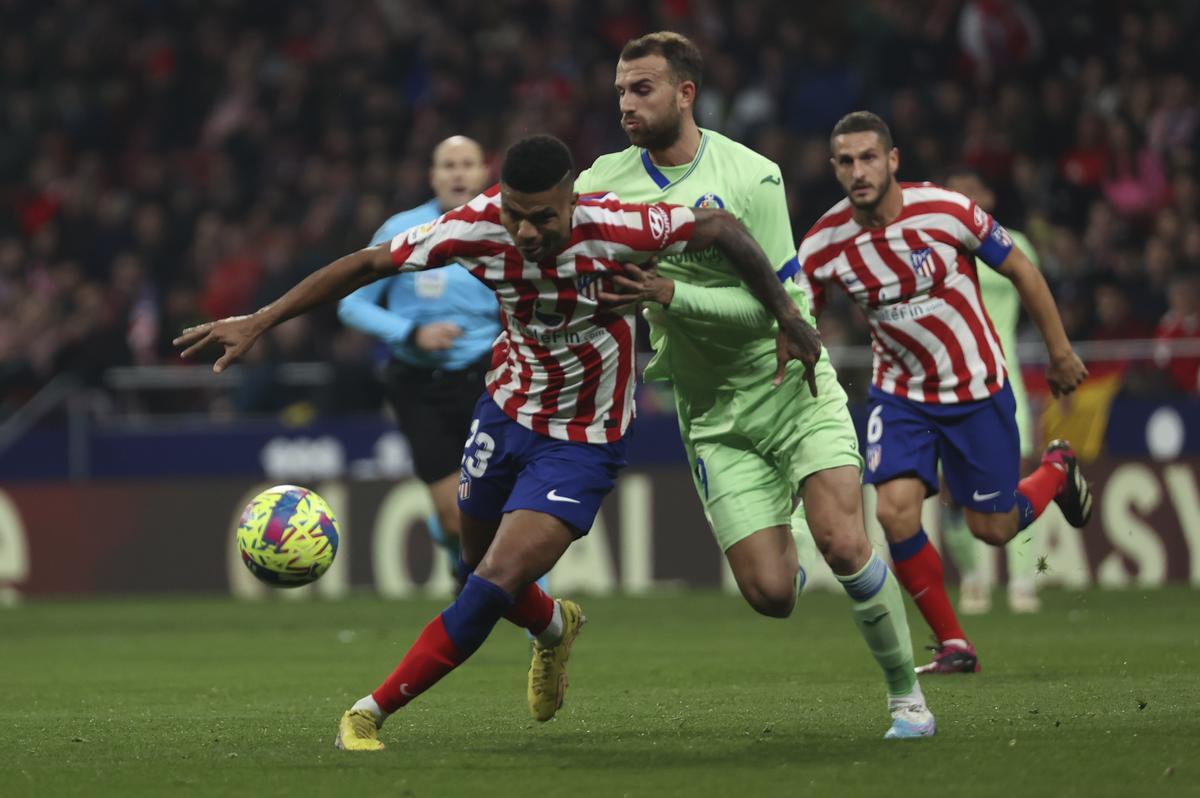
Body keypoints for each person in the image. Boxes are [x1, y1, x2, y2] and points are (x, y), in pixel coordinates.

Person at [173, 134, 818, 751]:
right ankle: (555, 627)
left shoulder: (621, 224)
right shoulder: (473, 226)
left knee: (490, 582)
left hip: (583, 438)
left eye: (542, 218)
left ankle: (369, 712)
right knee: (474, 565)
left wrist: (787, 313)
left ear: (573, 202)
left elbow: (723, 228)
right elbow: (368, 264)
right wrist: (259, 320)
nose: (527, 232)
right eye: (515, 215)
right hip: (504, 410)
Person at [576, 32, 935, 739]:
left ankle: (907, 699)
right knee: (773, 596)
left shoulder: (752, 176)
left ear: (686, 93)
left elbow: (789, 317)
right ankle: (792, 524)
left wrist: (670, 295)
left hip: (788, 384)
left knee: (844, 541)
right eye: (619, 89)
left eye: (641, 88)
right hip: (709, 412)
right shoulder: (599, 185)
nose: (626, 102)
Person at [795, 111, 1093, 675]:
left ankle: (1057, 467)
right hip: (900, 395)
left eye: (868, 157)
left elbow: (1024, 271)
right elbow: (800, 311)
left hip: (977, 388)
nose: (858, 170)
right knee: (895, 513)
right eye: (846, 161)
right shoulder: (824, 245)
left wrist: (1058, 352)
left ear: (893, 160)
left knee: (993, 528)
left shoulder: (947, 210)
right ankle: (955, 643)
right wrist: (794, 340)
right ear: (834, 169)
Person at [338, 136, 495, 575]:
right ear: (433, 176)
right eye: (448, 165)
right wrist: (410, 332)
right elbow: (352, 303)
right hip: (419, 386)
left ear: (485, 174)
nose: (458, 173)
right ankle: (449, 546)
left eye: (467, 164)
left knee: (505, 506)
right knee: (452, 519)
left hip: (489, 381)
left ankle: (533, 621)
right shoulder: (402, 229)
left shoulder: (502, 228)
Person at [940, 167, 1043, 614]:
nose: (963, 199)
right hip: (950, 385)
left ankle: (1023, 583)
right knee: (950, 493)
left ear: (989, 196)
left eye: (970, 192)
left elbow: (1029, 286)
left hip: (1004, 380)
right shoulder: (936, 245)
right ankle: (974, 578)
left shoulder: (1015, 243)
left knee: (1013, 484)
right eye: (954, 193)